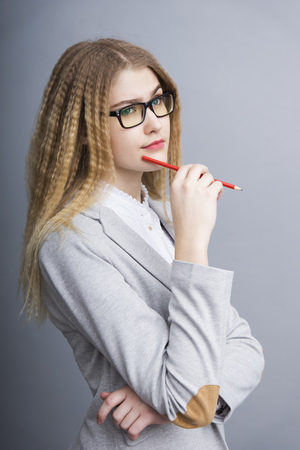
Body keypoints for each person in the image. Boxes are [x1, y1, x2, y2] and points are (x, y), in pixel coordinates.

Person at [20, 38, 264, 449]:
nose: (155, 123)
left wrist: (163, 404)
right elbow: (186, 397)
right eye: (130, 111)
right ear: (82, 131)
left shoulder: (161, 215)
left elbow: (247, 349)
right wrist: (192, 240)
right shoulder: (70, 242)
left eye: (158, 101)